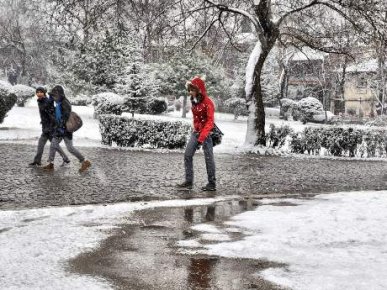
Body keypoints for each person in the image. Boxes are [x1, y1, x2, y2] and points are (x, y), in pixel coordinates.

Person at [177, 76, 216, 191]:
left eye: (192, 90)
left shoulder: (208, 102)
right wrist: (196, 129)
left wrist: (203, 136)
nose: (190, 92)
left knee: (208, 158)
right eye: (189, 90)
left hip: (207, 133)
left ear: (198, 90)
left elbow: (210, 121)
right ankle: (189, 181)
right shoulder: (194, 101)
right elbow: (196, 118)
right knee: (187, 155)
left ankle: (212, 184)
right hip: (196, 132)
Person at [42, 85, 91, 172]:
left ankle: (85, 161)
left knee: (70, 148)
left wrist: (61, 127)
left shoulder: (65, 103)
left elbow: (65, 117)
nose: (54, 97)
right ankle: (51, 164)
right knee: (53, 144)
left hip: (65, 129)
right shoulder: (58, 103)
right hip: (60, 129)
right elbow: (49, 111)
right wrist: (50, 101)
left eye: (55, 95)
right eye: (53, 96)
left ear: (60, 94)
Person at [29, 86, 70, 166]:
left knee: (53, 145)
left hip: (51, 127)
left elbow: (50, 109)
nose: (39, 93)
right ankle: (37, 160)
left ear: (44, 93)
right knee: (43, 144)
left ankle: (65, 158)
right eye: (37, 92)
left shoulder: (47, 101)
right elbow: (44, 113)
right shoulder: (40, 101)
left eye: (41, 92)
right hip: (45, 127)